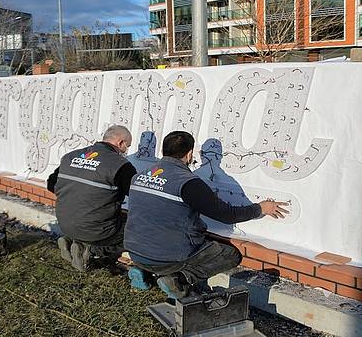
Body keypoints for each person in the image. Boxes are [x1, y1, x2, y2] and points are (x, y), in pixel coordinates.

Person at [124, 131, 288, 298]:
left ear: (163, 151)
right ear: (189, 154)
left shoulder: (140, 176)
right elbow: (227, 215)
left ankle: (142, 270)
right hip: (167, 257)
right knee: (230, 255)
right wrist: (260, 208)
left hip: (135, 251)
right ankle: (179, 279)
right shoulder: (188, 182)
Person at [47, 125, 137, 272]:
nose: (126, 151)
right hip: (96, 230)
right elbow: (138, 196)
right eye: (127, 146)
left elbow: (51, 185)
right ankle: (90, 250)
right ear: (121, 143)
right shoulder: (121, 165)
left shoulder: (71, 156)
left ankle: (71, 241)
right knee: (136, 232)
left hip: (65, 224)